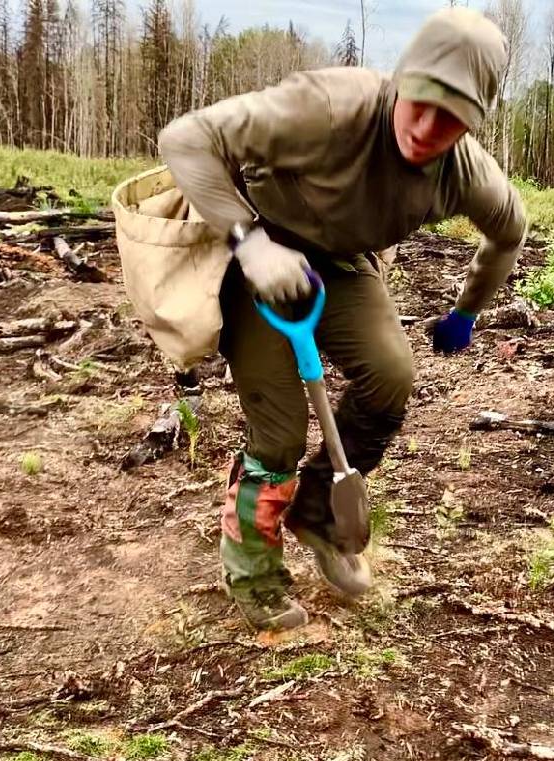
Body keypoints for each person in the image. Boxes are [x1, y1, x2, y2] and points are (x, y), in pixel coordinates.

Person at [157, 7, 527, 630]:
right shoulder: (328, 110)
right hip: (258, 244)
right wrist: (250, 243)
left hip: (339, 259)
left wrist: (466, 311)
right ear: (402, 81)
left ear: (475, 120)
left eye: (454, 116)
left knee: (390, 376)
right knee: (279, 429)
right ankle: (253, 569)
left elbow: (508, 234)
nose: (430, 127)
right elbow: (186, 138)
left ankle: (318, 513)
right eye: (422, 102)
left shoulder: (466, 173)